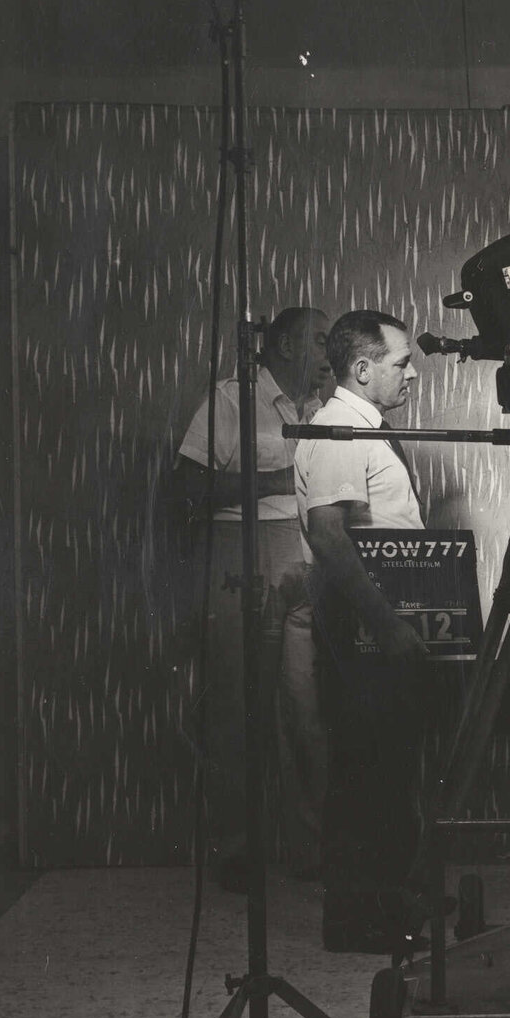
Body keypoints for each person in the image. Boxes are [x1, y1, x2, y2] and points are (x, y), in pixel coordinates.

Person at [175, 306, 333, 884]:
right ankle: (236, 851)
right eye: (319, 340)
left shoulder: (320, 407)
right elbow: (187, 490)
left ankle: (310, 850)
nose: (328, 349)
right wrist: (278, 481)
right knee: (237, 704)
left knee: (305, 707)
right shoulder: (231, 401)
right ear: (286, 347)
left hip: (307, 551)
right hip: (242, 551)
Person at [295, 309, 431, 952]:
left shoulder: (362, 430)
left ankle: (390, 896)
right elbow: (331, 536)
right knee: (365, 768)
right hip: (364, 625)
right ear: (362, 368)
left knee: (388, 764)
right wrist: (389, 626)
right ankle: (360, 916)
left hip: (382, 621)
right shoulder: (336, 431)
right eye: (401, 363)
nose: (410, 375)